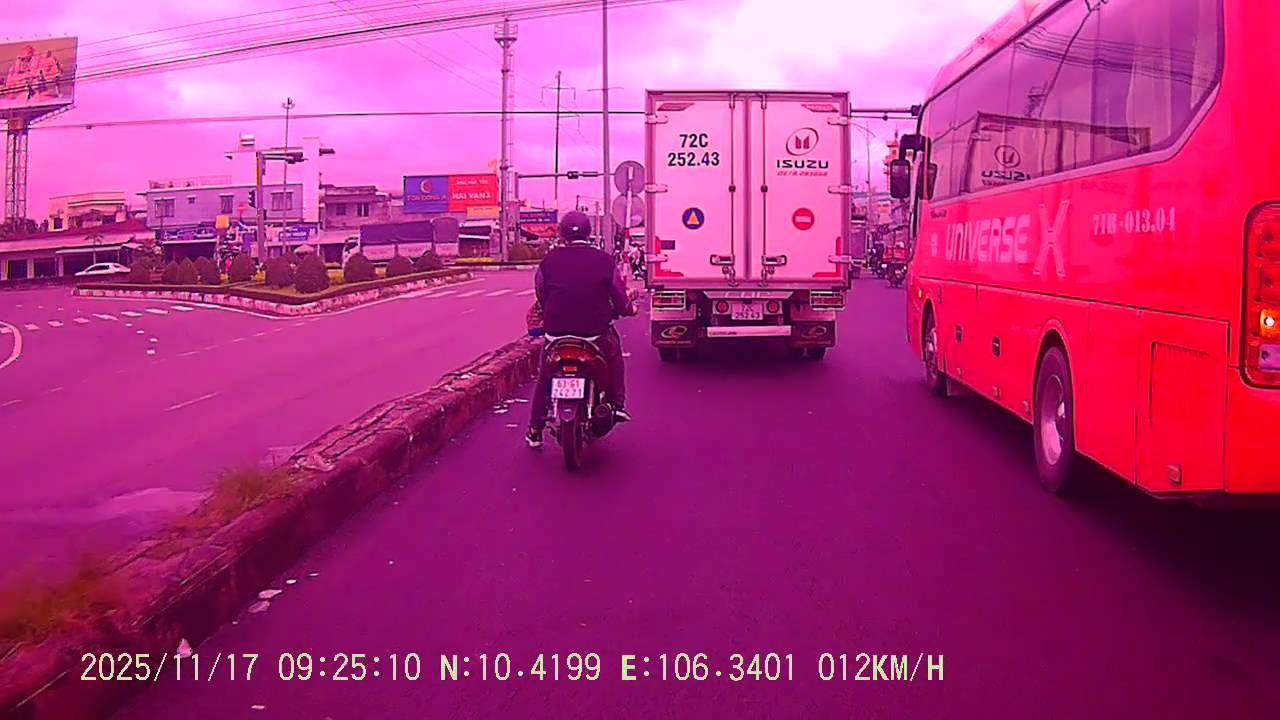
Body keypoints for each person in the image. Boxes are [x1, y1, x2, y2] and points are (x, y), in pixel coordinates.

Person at [526, 210, 636, 449]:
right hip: (594, 333)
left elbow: (541, 294)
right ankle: (617, 404)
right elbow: (618, 296)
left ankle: (534, 429)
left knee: (545, 375)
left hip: (556, 333)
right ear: (589, 232)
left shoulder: (548, 261)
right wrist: (627, 309)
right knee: (614, 356)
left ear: (562, 234)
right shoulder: (604, 260)